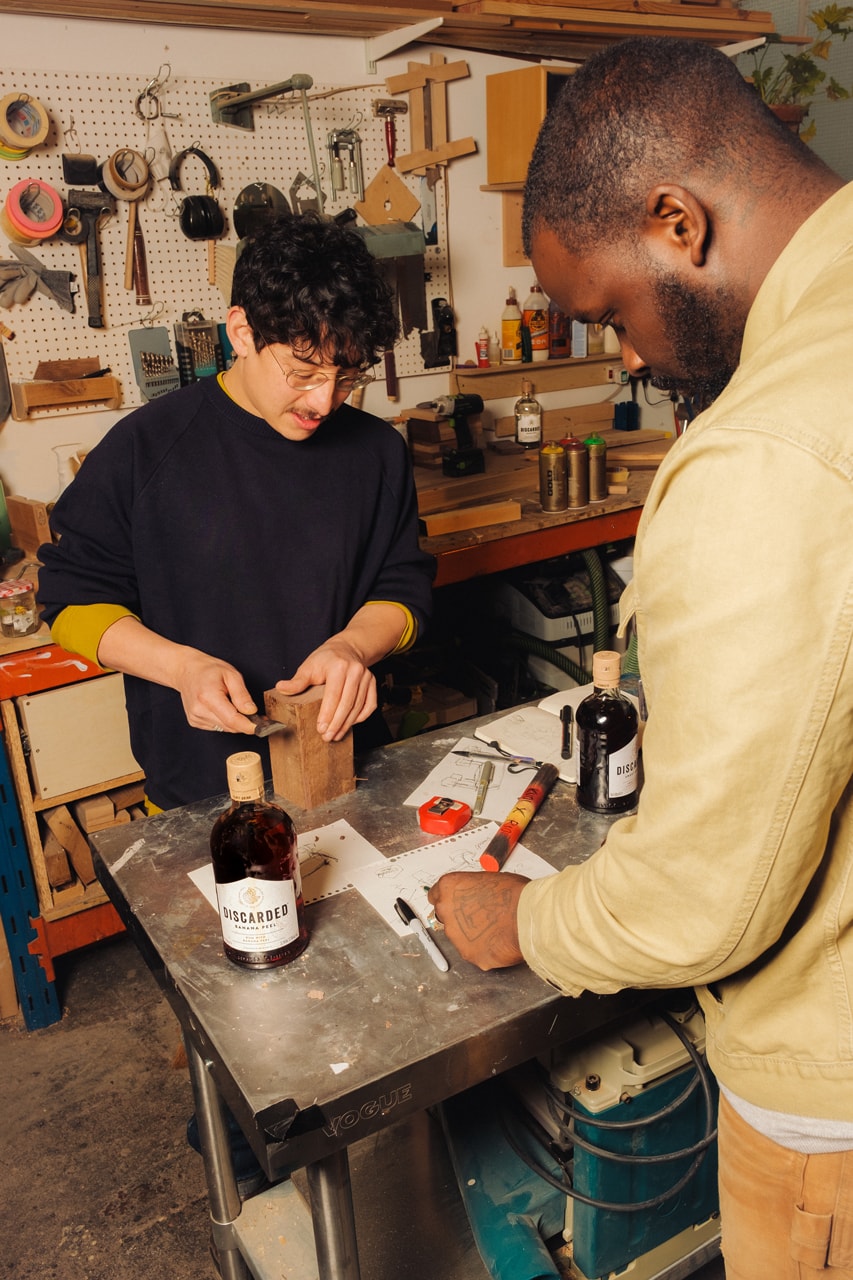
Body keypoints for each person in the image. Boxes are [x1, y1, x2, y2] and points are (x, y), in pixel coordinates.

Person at [428, 37, 853, 1279]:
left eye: (610, 310)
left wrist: (526, 918)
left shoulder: (767, 456)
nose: (622, 354)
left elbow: (703, 895)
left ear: (676, 219)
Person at [37, 212, 435, 813]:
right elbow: (69, 600)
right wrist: (180, 667)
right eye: (303, 373)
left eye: (346, 377)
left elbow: (403, 581)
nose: (324, 401)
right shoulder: (145, 449)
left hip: (345, 769)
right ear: (241, 332)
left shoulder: (377, 452)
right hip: (199, 790)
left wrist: (353, 648)